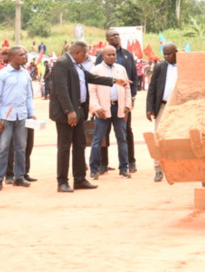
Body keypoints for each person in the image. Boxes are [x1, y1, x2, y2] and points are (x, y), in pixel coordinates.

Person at [49, 40, 128, 193]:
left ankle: (79, 179)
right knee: (64, 148)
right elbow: (61, 90)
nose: (86, 57)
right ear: (77, 52)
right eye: (85, 54)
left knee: (79, 146)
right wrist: (69, 111)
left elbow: (91, 78)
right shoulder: (62, 63)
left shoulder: (77, 65)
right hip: (67, 113)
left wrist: (114, 81)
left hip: (79, 111)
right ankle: (62, 182)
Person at [0, 46, 36, 191]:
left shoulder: (26, 74)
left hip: (22, 115)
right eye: (21, 55)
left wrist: (31, 112)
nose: (24, 57)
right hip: (6, 116)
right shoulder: (2, 75)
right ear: (11, 58)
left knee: (21, 147)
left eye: (25, 54)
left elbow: (29, 96)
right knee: (3, 148)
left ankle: (19, 177)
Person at [95, 28, 140, 173]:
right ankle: (103, 164)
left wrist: (131, 99)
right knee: (103, 133)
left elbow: (133, 77)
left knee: (126, 132)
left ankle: (130, 162)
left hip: (123, 103)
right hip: (104, 103)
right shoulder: (99, 58)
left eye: (117, 35)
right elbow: (95, 81)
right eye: (113, 35)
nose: (116, 37)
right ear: (107, 38)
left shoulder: (127, 55)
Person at [89, 45, 132, 180]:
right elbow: (92, 91)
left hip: (119, 108)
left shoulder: (121, 69)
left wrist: (127, 106)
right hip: (102, 110)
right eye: (109, 55)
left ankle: (124, 168)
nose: (112, 57)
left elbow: (127, 88)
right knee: (97, 140)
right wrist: (96, 108)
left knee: (122, 139)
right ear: (103, 56)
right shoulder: (96, 70)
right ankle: (94, 169)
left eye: (114, 54)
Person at [146, 42, 178, 182]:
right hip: (163, 107)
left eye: (169, 53)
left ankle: (177, 167)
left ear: (176, 52)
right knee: (158, 136)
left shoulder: (185, 65)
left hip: (179, 107)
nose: (166, 56)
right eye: (164, 54)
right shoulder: (159, 67)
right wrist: (149, 108)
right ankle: (158, 169)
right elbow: (152, 88)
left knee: (177, 137)